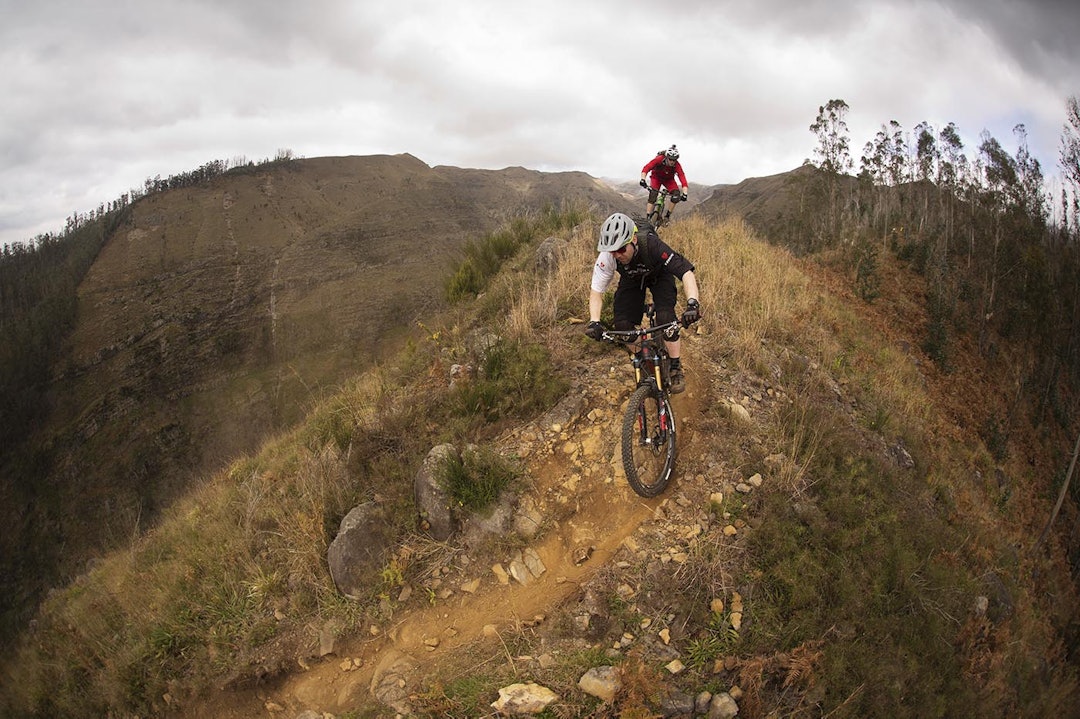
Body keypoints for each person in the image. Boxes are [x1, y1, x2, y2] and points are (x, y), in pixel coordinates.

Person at [584, 212, 701, 393]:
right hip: (632, 280)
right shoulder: (608, 257)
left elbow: (685, 272)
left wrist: (693, 304)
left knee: (666, 319)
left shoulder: (652, 245)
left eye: (621, 249)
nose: (617, 255)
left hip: (659, 275)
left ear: (634, 241)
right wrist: (594, 321)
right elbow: (596, 292)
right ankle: (642, 358)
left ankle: (675, 366)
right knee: (623, 326)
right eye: (612, 251)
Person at [640, 145, 689, 222]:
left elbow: (682, 178)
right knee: (653, 194)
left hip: (668, 180)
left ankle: (667, 216)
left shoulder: (677, 165)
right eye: (670, 159)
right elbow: (647, 168)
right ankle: (648, 217)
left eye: (674, 160)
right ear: (667, 157)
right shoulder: (659, 159)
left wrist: (685, 194)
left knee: (676, 194)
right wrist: (643, 179)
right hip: (656, 178)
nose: (672, 162)